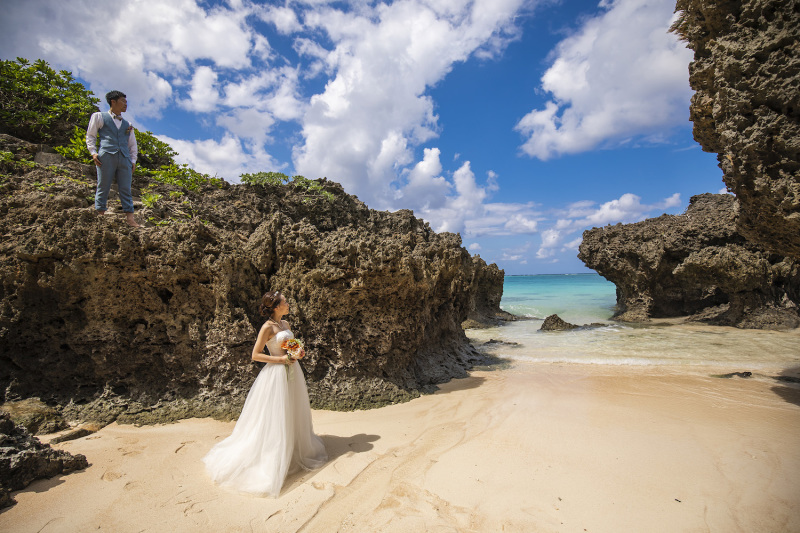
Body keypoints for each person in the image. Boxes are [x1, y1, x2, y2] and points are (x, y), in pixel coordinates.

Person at [203, 291, 328, 497]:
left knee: (293, 408)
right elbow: (256, 354)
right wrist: (281, 360)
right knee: (275, 413)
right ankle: (274, 454)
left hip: (292, 372)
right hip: (276, 373)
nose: (288, 304)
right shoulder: (267, 327)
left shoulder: (285, 324)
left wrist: (297, 352)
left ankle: (293, 448)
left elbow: (291, 345)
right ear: (276, 306)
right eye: (285, 302)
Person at [86, 90, 140, 227]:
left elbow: (132, 144)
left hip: (124, 158)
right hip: (106, 156)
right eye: (123, 101)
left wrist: (133, 160)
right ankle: (100, 215)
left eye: (126, 102)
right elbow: (91, 136)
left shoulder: (128, 124)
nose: (125, 104)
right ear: (113, 101)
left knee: (126, 188)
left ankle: (130, 219)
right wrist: (93, 152)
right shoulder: (99, 116)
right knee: (103, 185)